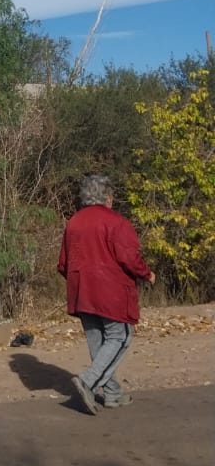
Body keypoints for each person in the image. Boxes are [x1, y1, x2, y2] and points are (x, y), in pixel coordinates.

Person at [58, 174, 155, 415]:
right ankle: (88, 381)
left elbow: (63, 264)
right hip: (109, 290)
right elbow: (129, 258)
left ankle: (111, 394)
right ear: (107, 197)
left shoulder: (74, 223)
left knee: (97, 342)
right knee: (121, 336)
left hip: (81, 291)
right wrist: (147, 274)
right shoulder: (115, 222)